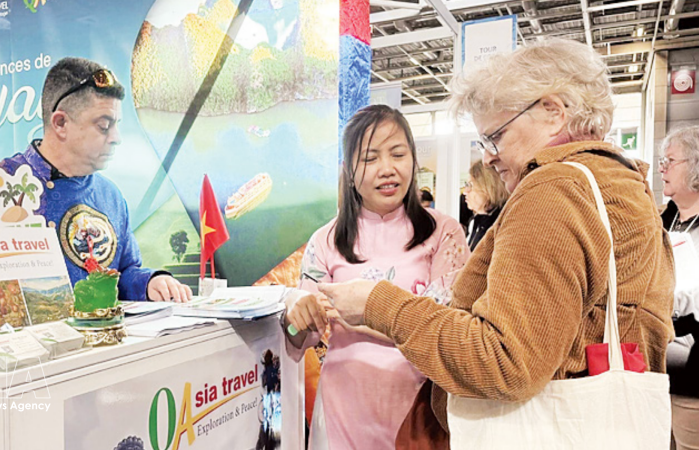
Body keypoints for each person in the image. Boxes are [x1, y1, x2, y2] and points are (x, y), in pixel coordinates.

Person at [318, 39, 674, 446]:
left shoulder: (555, 190)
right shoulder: (618, 179)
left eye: (496, 136)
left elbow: (505, 360)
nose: (488, 157)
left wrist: (377, 304)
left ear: (553, 111)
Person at [282, 104, 468, 449]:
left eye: (398, 154)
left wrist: (361, 313)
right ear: (348, 171)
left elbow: (446, 325)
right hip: (342, 414)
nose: (387, 169)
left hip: (420, 413)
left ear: (413, 159)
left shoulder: (444, 233)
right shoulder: (325, 240)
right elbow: (300, 338)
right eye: (369, 158)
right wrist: (295, 309)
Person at [0, 57, 191, 302]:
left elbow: (124, 273)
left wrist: (151, 282)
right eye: (103, 126)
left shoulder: (109, 195)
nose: (116, 138)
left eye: (116, 125)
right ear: (61, 123)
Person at [658, 126, 699, 450]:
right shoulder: (662, 220)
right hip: (659, 369)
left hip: (694, 376)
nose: (662, 168)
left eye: (670, 160)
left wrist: (665, 300)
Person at [464, 160, 508, 250]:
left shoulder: (501, 224)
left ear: (488, 187)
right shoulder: (477, 221)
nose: (465, 192)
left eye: (470, 185)